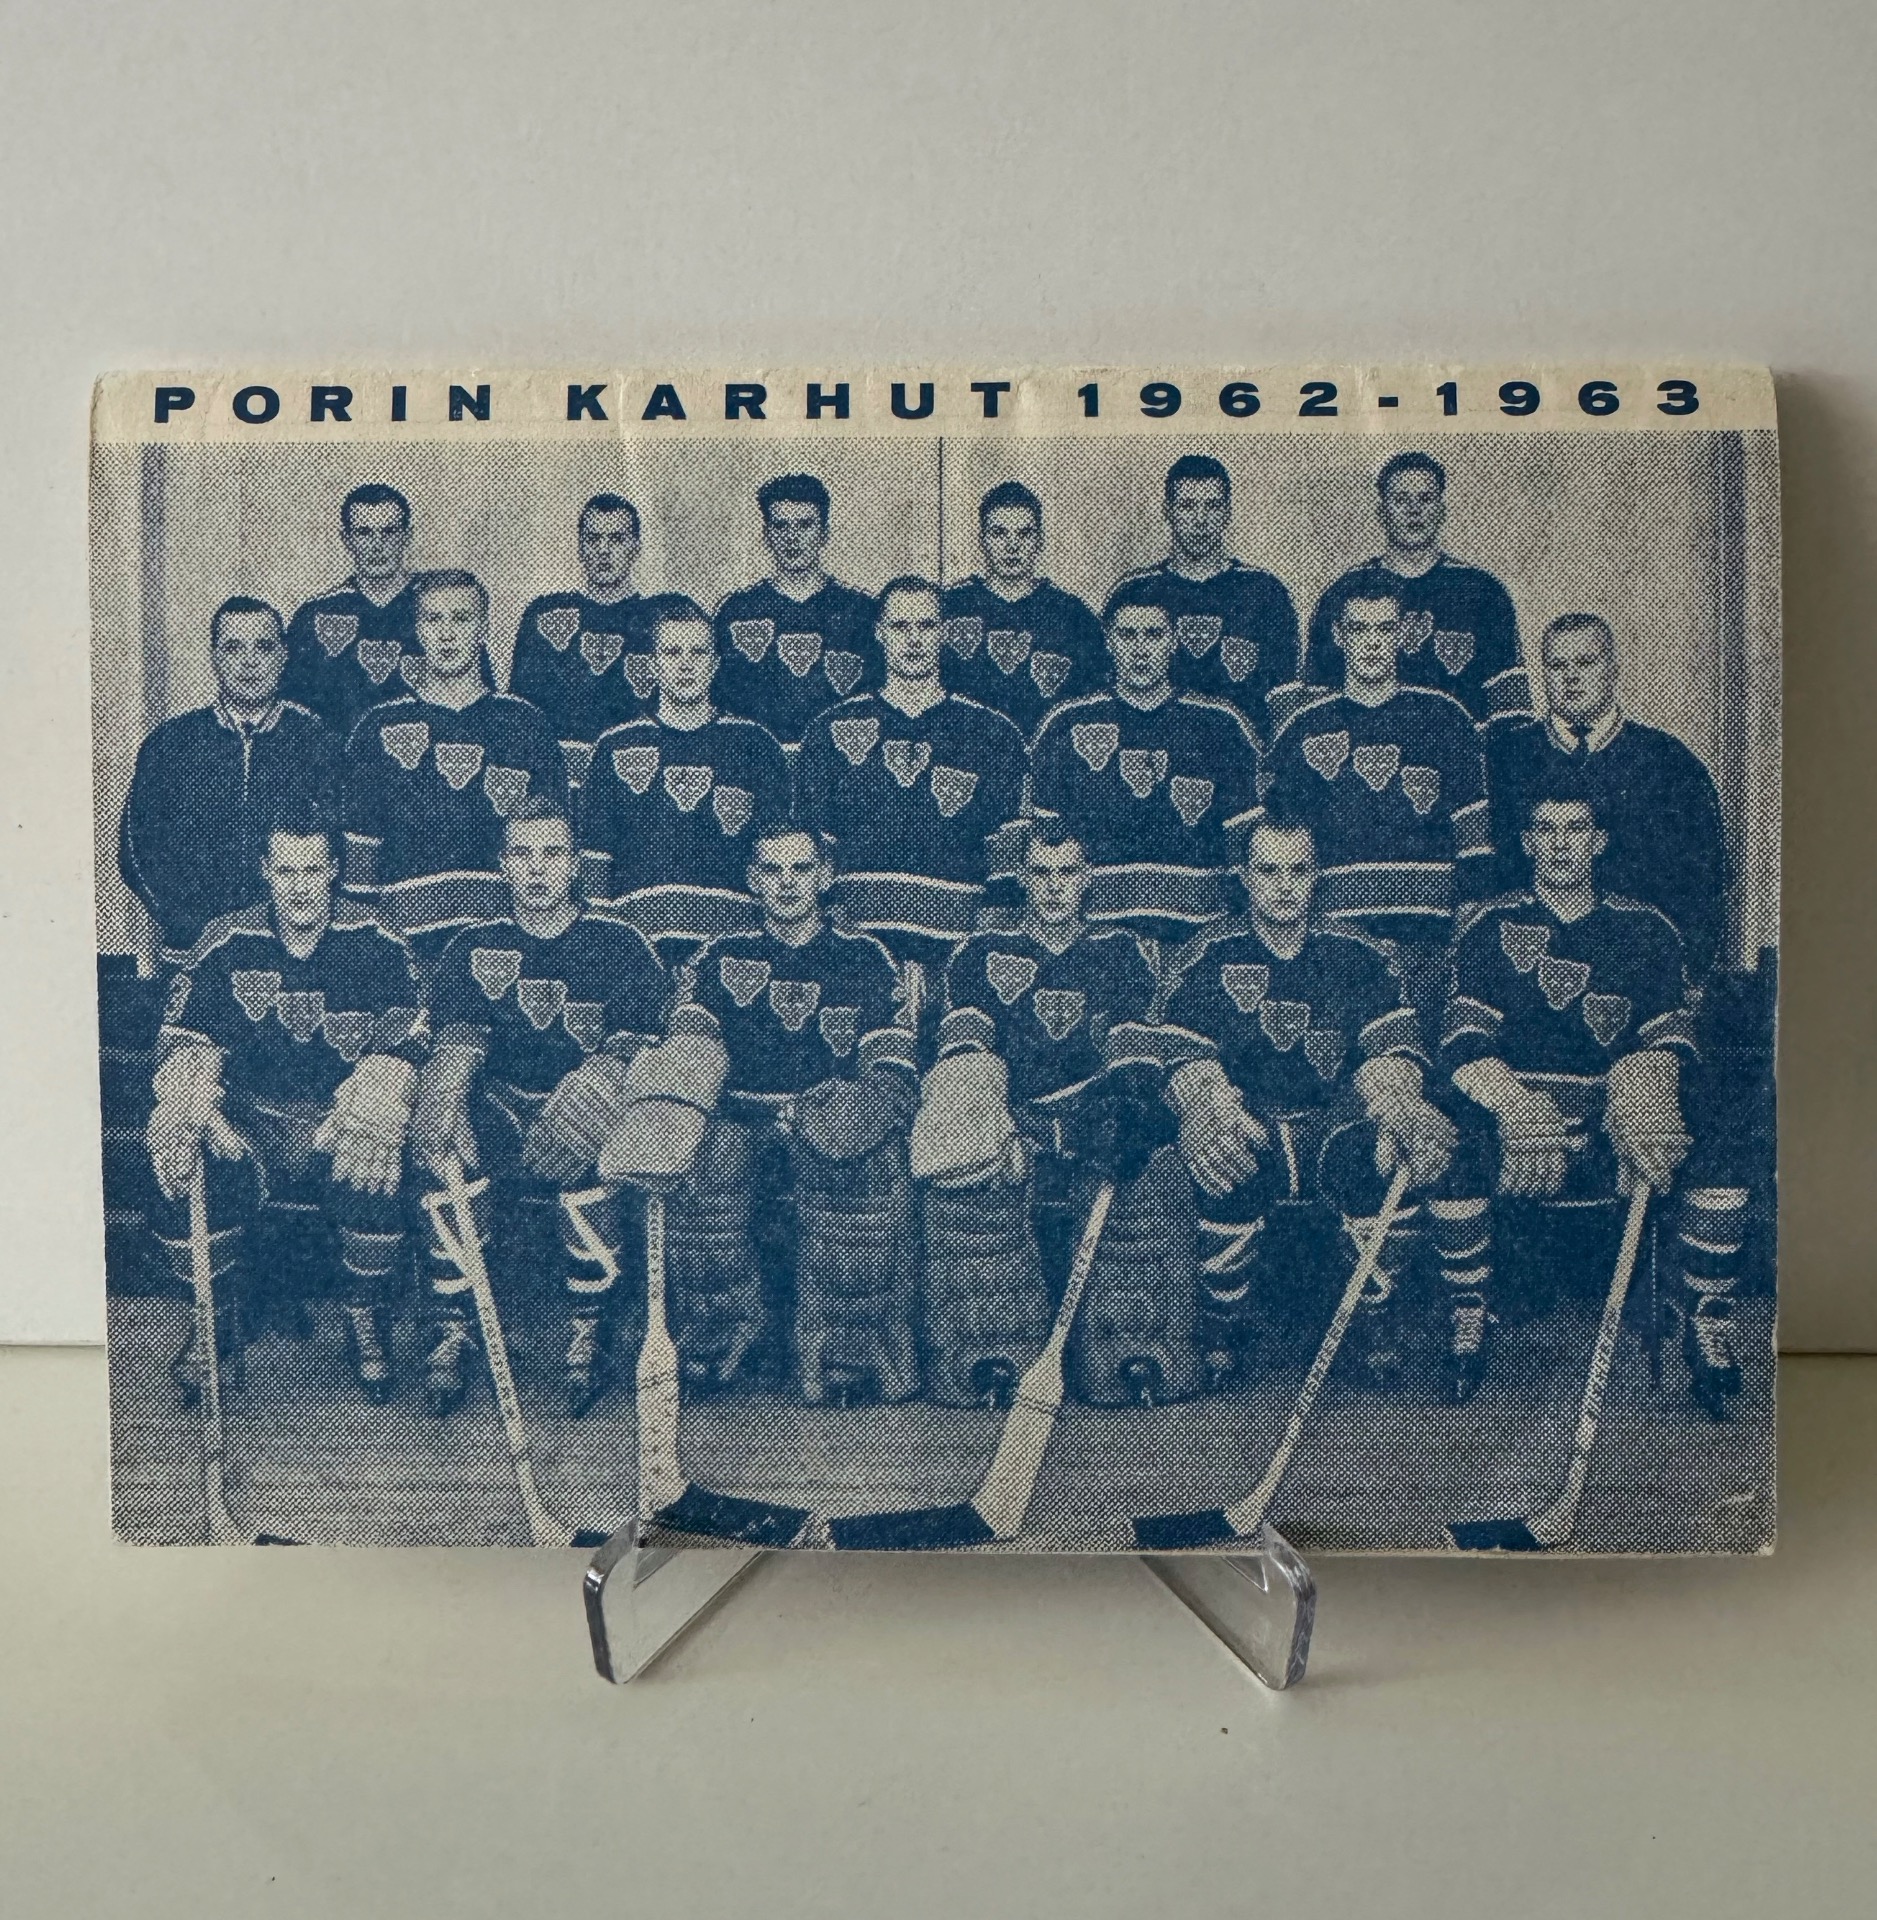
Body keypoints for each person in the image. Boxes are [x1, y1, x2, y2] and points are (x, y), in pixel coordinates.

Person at [1441, 780, 1742, 1417]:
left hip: (1615, 1131)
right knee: (1449, 1145)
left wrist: (1645, 1093)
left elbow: (1671, 1039)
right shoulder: (1489, 928)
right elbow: (1465, 1045)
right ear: (1527, 843)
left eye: (1575, 830)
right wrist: (1518, 1107)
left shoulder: (1646, 929)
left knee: (1720, 1143)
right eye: (1546, 831)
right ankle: (1468, 1311)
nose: (1561, 845)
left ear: (1599, 841)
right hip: (1520, 1134)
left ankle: (1707, 1316)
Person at [1158, 817, 1460, 1393]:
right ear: (1244, 876)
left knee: (1379, 1151)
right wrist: (1208, 1106)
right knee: (1224, 1153)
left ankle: (1373, 1314)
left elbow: (1389, 1052)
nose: (1284, 886)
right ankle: (1224, 1321)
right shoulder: (1209, 954)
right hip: (1251, 1119)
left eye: (1297, 870)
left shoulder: (1358, 953)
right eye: (1268, 871)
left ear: (1316, 874)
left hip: (1331, 1123)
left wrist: (1396, 1102)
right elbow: (1188, 1059)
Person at [144, 809, 423, 1406]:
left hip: (338, 1120)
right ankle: (214, 1319)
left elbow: (412, 1032)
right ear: (266, 870)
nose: (300, 887)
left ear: (335, 870)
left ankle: (365, 1316)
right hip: (250, 1122)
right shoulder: (226, 940)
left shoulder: (377, 939)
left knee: (376, 1166)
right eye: (287, 871)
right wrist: (198, 1104)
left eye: (313, 870)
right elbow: (182, 1039)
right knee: (179, 1158)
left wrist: (379, 1084)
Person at [409, 799, 673, 1418]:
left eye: (552, 854)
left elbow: (640, 1040)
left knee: (593, 1163)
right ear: (503, 864)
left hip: (589, 1103)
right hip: (501, 1104)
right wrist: (446, 1094)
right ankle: (454, 1326)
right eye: (523, 854)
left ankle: (588, 1330)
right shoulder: (473, 945)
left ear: (575, 864)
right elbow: (457, 1038)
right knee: (446, 1153)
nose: (537, 869)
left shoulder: (620, 943)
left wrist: (604, 1081)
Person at [643, 821, 920, 1403]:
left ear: (825, 875)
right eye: (772, 870)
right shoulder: (720, 956)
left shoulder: (865, 957)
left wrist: (851, 1115)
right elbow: (690, 1046)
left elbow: (890, 1066)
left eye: (800, 868)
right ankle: (720, 1329)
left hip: (825, 1118)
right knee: (704, 1158)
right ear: (752, 879)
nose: (787, 883)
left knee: (863, 1161)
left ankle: (847, 1341)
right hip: (740, 1116)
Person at [914, 821, 1189, 1406]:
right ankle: (993, 1351)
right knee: (971, 1178)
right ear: (1022, 878)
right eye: (1041, 873)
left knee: (1149, 1173)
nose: (1055, 887)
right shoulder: (981, 953)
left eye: (1067, 873)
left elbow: (1133, 1044)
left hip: (1095, 1120)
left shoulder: (1122, 951)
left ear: (1087, 877)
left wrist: (1126, 1106)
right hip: (1017, 1123)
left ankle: (1132, 1350)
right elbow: (966, 1045)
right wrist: (985, 1119)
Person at [1261, 574, 1491, 988]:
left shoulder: (1446, 718)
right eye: (1359, 628)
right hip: (1336, 942)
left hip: (1431, 941)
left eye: (1384, 628)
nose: (1372, 643)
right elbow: (1281, 845)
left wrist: (1462, 935)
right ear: (1339, 635)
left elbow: (1474, 842)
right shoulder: (1303, 728)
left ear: (1403, 633)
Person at [796, 577, 1027, 980]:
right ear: (880, 633)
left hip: (956, 942)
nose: (914, 639)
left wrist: (982, 945)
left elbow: (1007, 852)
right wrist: (835, 938)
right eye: (901, 626)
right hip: (857, 944)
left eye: (926, 626)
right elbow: (813, 842)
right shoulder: (831, 728)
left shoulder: (992, 732)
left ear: (945, 632)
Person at [1486, 613, 1730, 979]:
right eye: (1557, 665)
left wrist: (1679, 979)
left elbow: (1703, 888)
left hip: (1640, 975)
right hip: (1525, 977)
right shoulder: (1507, 759)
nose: (1571, 677)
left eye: (1586, 663)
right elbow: (1490, 877)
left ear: (1613, 671)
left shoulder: (1668, 763)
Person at [341, 569, 567, 963]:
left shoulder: (525, 724)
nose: (447, 634)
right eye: (434, 619)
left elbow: (556, 851)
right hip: (405, 948)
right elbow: (360, 861)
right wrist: (373, 953)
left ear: (483, 629)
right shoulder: (377, 727)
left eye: (461, 618)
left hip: (504, 949)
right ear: (417, 630)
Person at [1030, 585, 1261, 949]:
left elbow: (1246, 848)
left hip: (1199, 938)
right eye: (1127, 635)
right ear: (1109, 642)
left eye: (1153, 634)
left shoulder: (1221, 725)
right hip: (1097, 943)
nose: (1140, 649)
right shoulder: (1066, 724)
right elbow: (1044, 844)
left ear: (1174, 641)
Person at [119, 596, 339, 966]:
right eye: (233, 647)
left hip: (293, 953)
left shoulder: (316, 740)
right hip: (195, 951)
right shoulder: (171, 743)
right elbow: (137, 850)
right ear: (214, 657)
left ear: (283, 655)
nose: (249, 661)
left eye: (263, 646)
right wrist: (190, 925)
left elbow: (337, 849)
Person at [578, 596, 792, 961]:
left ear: (715, 663)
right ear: (653, 665)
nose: (686, 664)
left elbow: (778, 854)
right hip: (639, 944)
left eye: (698, 652)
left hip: (732, 944)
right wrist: (604, 943)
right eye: (672, 652)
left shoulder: (755, 744)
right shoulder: (615, 745)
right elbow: (596, 858)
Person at [1304, 451, 1528, 730]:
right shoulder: (1346, 592)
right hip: (1371, 748)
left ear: (1441, 510)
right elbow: (1318, 704)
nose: (1414, 510)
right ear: (1381, 513)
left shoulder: (1483, 592)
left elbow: (1511, 712)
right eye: (1401, 500)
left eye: (1425, 499)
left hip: (1458, 750)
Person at [1107, 453, 1300, 735]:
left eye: (1212, 506)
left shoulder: (1265, 593)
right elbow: (1112, 695)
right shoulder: (1135, 592)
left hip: (1239, 754)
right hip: (1156, 750)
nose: (1200, 519)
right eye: (1187, 506)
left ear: (1228, 512)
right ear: (1167, 511)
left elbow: (1283, 701)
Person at [509, 492, 663, 788]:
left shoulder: (657, 619)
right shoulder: (545, 614)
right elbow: (522, 714)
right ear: (580, 546)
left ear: (636, 547)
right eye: (593, 539)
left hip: (637, 778)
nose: (603, 550)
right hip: (560, 778)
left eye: (616, 539)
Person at [712, 474, 876, 749]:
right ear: (766, 535)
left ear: (824, 533)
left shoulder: (859, 610)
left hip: (836, 760)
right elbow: (719, 700)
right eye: (781, 526)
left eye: (805, 525)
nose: (792, 537)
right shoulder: (737, 611)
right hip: (757, 758)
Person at [938, 481, 1106, 736]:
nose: (1012, 546)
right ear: (982, 539)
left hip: (1046, 753)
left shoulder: (1071, 614)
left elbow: (1094, 699)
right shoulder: (952, 606)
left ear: (1039, 540)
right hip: (965, 749)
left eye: (1024, 534)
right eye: (999, 533)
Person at [283, 482, 424, 741]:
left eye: (389, 531)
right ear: (346, 539)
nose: (378, 545)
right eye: (364, 533)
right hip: (338, 763)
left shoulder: (438, 610)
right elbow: (290, 712)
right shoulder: (314, 616)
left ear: (408, 536)